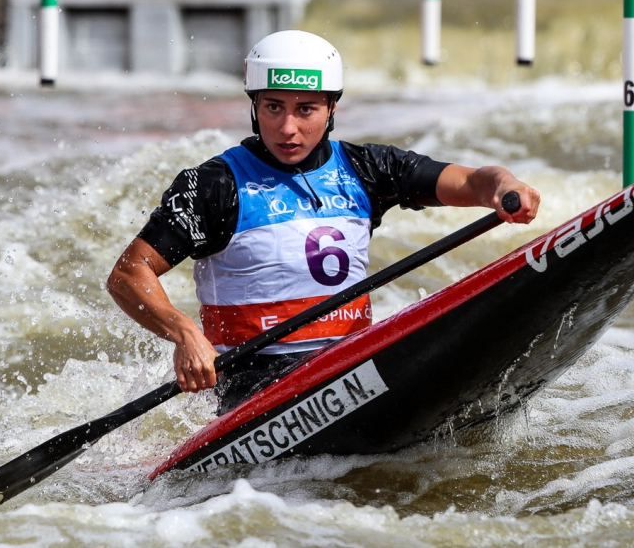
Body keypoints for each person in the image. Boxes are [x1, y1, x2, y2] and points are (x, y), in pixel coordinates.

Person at [107, 30, 540, 415]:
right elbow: (128, 274)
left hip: (352, 363)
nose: (288, 128)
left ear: (332, 107)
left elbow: (468, 181)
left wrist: (503, 186)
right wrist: (184, 333)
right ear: (254, 106)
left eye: (306, 109)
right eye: (273, 107)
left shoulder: (367, 168)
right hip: (255, 385)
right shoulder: (214, 185)